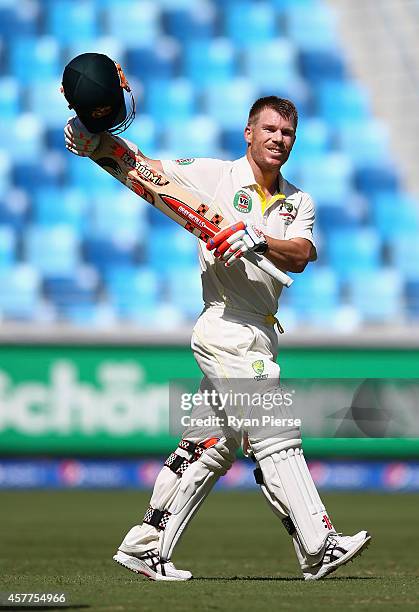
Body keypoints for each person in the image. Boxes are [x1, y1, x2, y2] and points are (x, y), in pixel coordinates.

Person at [63, 55, 371, 583]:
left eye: (288, 132)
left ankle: (145, 545)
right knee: (274, 428)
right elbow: (148, 176)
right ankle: (319, 546)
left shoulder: (298, 202)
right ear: (248, 132)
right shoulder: (213, 176)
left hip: (261, 327)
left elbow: (302, 254)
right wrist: (95, 143)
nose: (279, 138)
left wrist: (260, 238)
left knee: (210, 444)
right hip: (226, 325)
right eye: (270, 128)